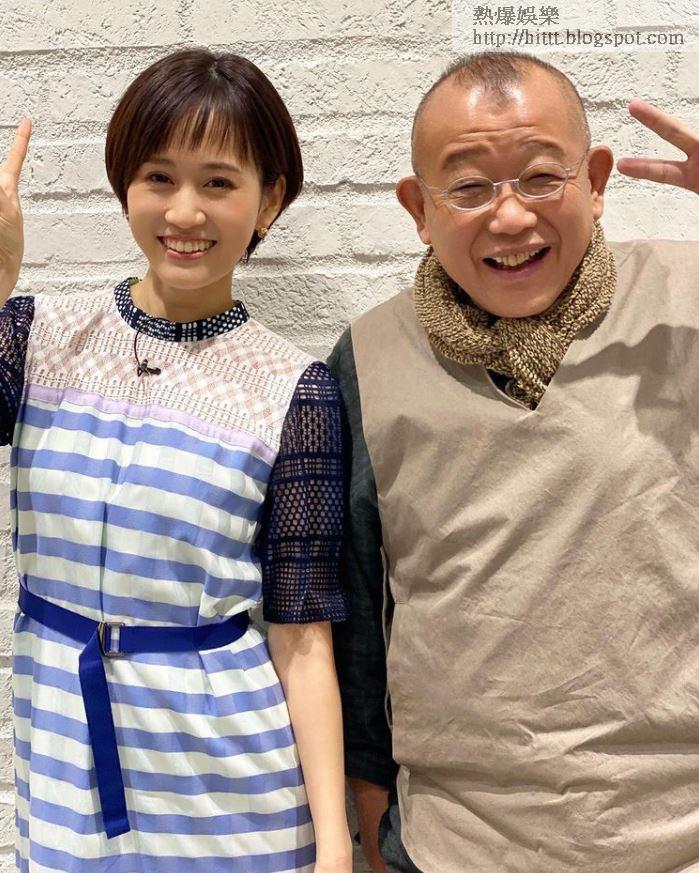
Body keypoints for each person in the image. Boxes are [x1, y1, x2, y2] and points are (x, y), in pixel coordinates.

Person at [329, 51, 699, 873]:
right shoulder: (367, 360)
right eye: (467, 187)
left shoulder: (687, 300)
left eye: (539, 177)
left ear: (593, 182)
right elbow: (356, 623)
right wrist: (374, 831)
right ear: (418, 208)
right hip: (456, 841)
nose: (508, 216)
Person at [0, 48, 352, 872]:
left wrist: (334, 843)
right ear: (125, 184)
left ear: (269, 200)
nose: (184, 211)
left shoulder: (293, 390)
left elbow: (302, 636)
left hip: (228, 779)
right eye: (159, 177)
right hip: (62, 753)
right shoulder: (34, 335)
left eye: (218, 183)